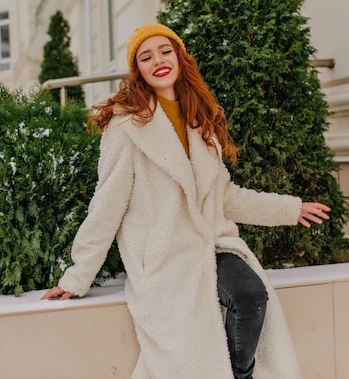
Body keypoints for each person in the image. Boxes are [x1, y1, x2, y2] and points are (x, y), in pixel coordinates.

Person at [42, 23, 330, 379]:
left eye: (165, 51)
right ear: (139, 71)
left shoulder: (200, 119)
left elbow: (225, 196)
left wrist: (290, 209)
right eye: (146, 57)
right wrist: (76, 277)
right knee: (192, 354)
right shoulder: (126, 127)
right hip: (166, 256)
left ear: (180, 57)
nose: (158, 61)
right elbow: (107, 206)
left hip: (213, 243)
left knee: (251, 297)